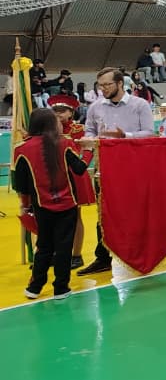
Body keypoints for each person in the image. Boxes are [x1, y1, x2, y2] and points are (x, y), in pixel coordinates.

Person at [78, 68, 154, 274]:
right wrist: (89, 139)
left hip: (134, 167)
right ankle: (103, 257)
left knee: (135, 210)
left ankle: (140, 252)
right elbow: (89, 130)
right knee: (103, 212)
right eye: (100, 85)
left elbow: (150, 133)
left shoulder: (140, 105)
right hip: (104, 166)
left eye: (107, 85)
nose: (103, 89)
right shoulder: (95, 107)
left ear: (120, 83)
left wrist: (125, 136)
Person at [14, 108, 90, 300]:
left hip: (41, 205)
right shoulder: (64, 143)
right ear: (50, 124)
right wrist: (89, 151)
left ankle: (34, 287)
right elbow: (80, 169)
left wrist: (25, 205)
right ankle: (61, 288)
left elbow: (21, 184)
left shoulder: (21, 148)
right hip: (67, 205)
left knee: (44, 246)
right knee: (64, 248)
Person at [48, 95, 95, 270]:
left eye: (62, 111)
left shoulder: (79, 129)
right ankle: (57, 253)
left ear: (71, 112)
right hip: (53, 176)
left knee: (75, 217)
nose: (58, 114)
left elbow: (88, 149)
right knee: (53, 218)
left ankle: (76, 254)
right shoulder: (47, 130)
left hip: (75, 175)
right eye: (55, 111)